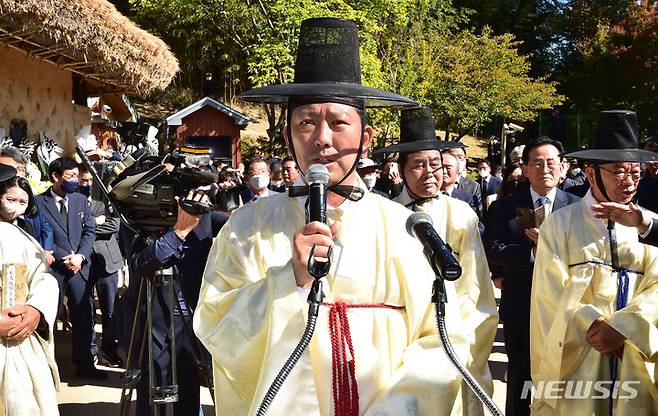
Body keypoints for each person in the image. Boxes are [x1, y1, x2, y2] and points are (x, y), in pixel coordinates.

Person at [194, 17, 469, 415]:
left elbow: (441, 341)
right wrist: (290, 278)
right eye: (306, 122)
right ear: (288, 136)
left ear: (366, 137)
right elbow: (215, 325)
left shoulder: (405, 229)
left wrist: (398, 409)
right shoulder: (246, 227)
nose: (322, 138)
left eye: (339, 122)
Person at [530, 110, 658, 415]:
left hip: (635, 353)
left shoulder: (646, 224)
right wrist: (596, 326)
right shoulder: (560, 224)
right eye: (618, 171)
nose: (629, 181)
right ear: (591, 172)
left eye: (635, 172)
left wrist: (626, 327)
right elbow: (551, 292)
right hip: (581, 354)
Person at [379, 106, 498, 415]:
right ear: (401, 169)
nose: (430, 172)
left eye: (435, 163)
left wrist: (467, 344)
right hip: (404, 338)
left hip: (456, 336)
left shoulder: (461, 215)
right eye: (418, 164)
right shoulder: (384, 215)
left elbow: (477, 289)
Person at [483, 137, 580, 416]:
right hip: (520, 304)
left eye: (551, 163)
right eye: (537, 163)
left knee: (566, 374)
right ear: (525, 169)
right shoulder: (504, 207)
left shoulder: (577, 208)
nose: (545, 168)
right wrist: (534, 254)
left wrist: (550, 246)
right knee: (520, 375)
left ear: (563, 167)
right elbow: (493, 248)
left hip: (567, 307)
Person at [120, 189, 228, 416]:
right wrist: (179, 231)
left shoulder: (205, 216)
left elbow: (240, 224)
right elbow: (141, 263)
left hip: (191, 318)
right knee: (152, 390)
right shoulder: (140, 212)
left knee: (188, 385)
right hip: (151, 315)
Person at [0, 164, 60, 415]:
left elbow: (44, 278)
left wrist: (35, 309)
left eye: (22, 201)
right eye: (11, 199)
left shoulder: (19, 234)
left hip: (17, 342)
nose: (16, 206)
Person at [35, 157, 100, 380]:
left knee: (84, 317)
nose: (75, 180)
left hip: (79, 268)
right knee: (48, 318)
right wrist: (65, 258)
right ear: (55, 176)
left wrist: (80, 256)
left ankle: (85, 365)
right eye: (70, 176)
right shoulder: (38, 202)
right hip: (54, 269)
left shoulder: (81, 200)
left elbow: (89, 231)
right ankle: (46, 369)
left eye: (75, 175)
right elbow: (40, 234)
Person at [78, 165, 123, 368]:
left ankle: (109, 350)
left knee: (110, 310)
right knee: (84, 310)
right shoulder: (73, 201)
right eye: (83, 181)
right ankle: (90, 353)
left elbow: (114, 225)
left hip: (108, 261)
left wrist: (87, 226)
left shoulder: (105, 198)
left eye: (89, 180)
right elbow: (70, 228)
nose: (86, 184)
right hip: (84, 261)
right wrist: (94, 223)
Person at [0, 146, 54, 260]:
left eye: (21, 169)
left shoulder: (31, 205)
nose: (17, 174)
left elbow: (45, 228)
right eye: (11, 169)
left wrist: (44, 252)